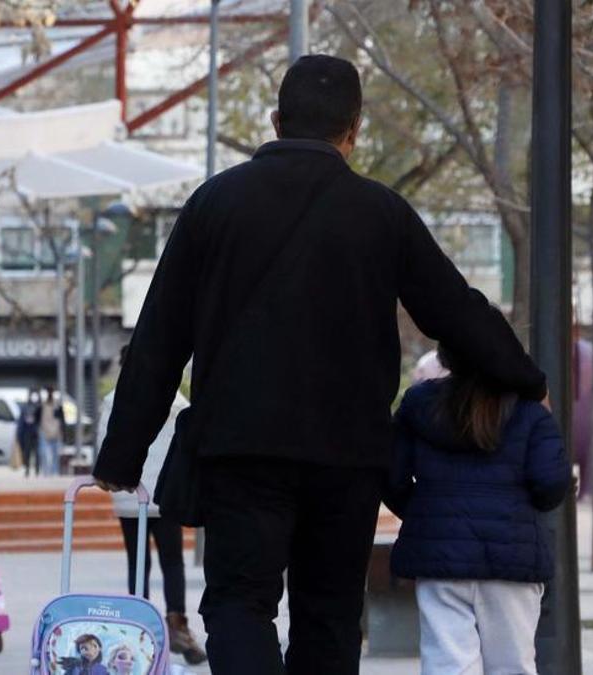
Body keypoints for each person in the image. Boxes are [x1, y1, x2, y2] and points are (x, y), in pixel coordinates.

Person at [93, 55, 545, 675]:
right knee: (329, 615)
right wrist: (526, 378)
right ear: (353, 130)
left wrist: (122, 454)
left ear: (276, 122)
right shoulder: (381, 213)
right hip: (348, 456)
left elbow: (159, 340)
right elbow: (454, 310)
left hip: (240, 451)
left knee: (238, 605)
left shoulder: (214, 203)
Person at [387, 345, 568, 674]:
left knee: (447, 663)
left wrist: (428, 514)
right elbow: (550, 486)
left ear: (446, 356)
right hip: (513, 559)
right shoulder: (530, 412)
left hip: (441, 558)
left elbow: (390, 476)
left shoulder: (419, 405)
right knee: (513, 666)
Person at [96, 346, 206, 665]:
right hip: (165, 495)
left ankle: (138, 625)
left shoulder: (112, 401)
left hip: (129, 495)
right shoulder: (178, 403)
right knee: (173, 562)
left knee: (137, 561)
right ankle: (177, 626)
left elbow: (104, 445)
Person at [36, 385, 65, 476]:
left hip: (56, 432)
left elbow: (61, 420)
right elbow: (38, 418)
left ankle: (54, 472)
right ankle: (46, 472)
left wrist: (62, 432)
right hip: (44, 431)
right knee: (43, 453)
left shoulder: (57, 405)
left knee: (55, 454)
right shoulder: (42, 406)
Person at [17, 388, 42, 477]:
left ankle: (37, 469)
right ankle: (27, 469)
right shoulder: (25, 407)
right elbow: (21, 421)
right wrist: (19, 434)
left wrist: (39, 395)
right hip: (27, 432)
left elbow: (41, 410)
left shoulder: (38, 406)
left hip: (36, 432)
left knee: (37, 452)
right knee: (27, 452)